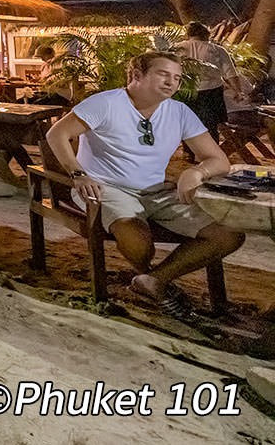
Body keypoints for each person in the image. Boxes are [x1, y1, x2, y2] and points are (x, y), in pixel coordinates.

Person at [44, 50, 244, 313]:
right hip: (107, 187)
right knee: (135, 236)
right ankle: (151, 276)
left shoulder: (179, 111)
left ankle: (153, 280)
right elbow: (57, 133)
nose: (171, 82)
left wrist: (195, 173)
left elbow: (218, 160)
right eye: (163, 74)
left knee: (228, 234)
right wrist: (78, 174)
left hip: (156, 191)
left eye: (177, 77)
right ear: (137, 75)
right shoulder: (106, 103)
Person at [176, 22, 237, 136]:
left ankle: (188, 152)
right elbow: (230, 73)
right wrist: (238, 91)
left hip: (184, 91)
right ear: (206, 34)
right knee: (211, 126)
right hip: (211, 91)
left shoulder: (176, 48)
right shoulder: (217, 50)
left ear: (188, 34)